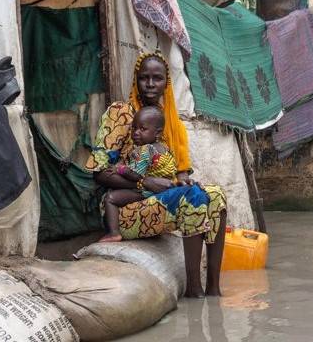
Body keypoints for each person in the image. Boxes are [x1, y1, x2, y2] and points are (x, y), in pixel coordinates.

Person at [86, 52, 227, 297]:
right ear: (136, 81)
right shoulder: (121, 113)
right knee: (191, 199)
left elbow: (172, 171)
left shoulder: (167, 122)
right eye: (144, 78)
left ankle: (214, 288)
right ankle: (194, 290)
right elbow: (99, 173)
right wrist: (145, 181)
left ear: (167, 83)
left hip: (157, 200)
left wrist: (182, 180)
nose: (150, 84)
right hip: (123, 204)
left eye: (157, 78)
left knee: (216, 196)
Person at [100, 106, 211, 244]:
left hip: (146, 192)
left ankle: (114, 233)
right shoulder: (165, 149)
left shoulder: (144, 151)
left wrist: (120, 169)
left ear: (157, 133)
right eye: (134, 128)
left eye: (143, 129)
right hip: (164, 190)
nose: (136, 133)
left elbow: (135, 175)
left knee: (110, 198)